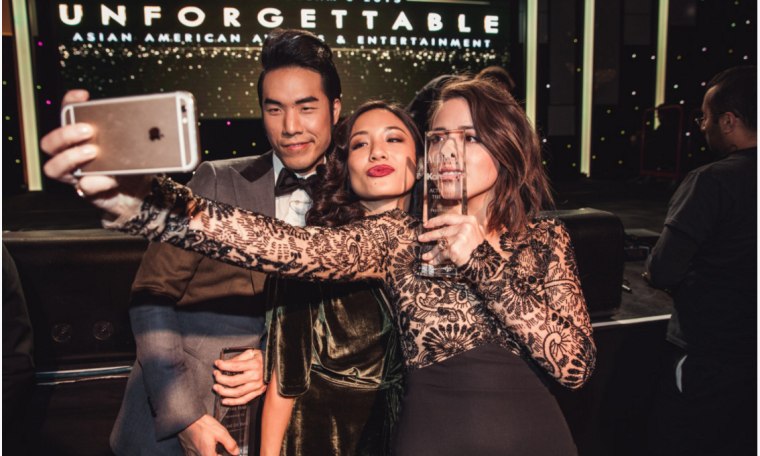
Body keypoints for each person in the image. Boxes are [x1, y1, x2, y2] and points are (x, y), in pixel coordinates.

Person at [42, 76, 596, 455]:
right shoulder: (400, 236)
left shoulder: (545, 238)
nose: (449, 152)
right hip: (435, 440)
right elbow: (282, 246)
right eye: (440, 137)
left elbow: (574, 364)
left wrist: (481, 259)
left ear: (506, 149)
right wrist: (142, 197)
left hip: (536, 437)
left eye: (470, 138)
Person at [644, 66, 757, 456]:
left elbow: (662, 269)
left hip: (709, 355)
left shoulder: (711, 181)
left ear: (729, 121)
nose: (701, 125)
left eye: (705, 116)